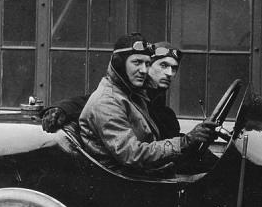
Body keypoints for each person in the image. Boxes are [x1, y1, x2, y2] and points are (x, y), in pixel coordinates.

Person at [76, 35, 214, 175]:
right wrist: (184, 142)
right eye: (137, 62)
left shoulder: (133, 94)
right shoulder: (107, 101)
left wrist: (194, 140)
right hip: (126, 183)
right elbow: (132, 154)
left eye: (147, 64)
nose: (144, 70)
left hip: (145, 173)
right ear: (119, 63)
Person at [40, 37, 182, 139]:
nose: (169, 73)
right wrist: (61, 108)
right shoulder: (129, 93)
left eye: (174, 68)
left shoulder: (166, 115)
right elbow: (95, 101)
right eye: (163, 65)